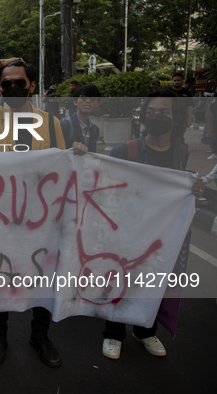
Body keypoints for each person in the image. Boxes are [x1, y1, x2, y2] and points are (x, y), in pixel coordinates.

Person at [0, 56, 65, 368]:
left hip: (41, 218)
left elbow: (62, 168)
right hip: (1, 217)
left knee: (44, 277)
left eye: (18, 83)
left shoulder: (51, 123)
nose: (11, 87)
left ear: (32, 86)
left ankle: (40, 336)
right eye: (5, 84)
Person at [99, 90, 205, 359]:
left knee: (155, 280)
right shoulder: (124, 151)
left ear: (176, 117)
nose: (157, 116)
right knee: (122, 279)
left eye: (165, 112)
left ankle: (145, 329)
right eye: (152, 111)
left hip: (163, 234)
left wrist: (194, 188)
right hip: (129, 231)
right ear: (144, 114)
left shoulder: (181, 150)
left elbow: (181, 187)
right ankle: (113, 333)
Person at [61, 84, 101, 152]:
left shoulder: (95, 130)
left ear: (97, 104)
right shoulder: (65, 126)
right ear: (75, 101)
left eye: (93, 98)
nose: (88, 101)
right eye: (83, 97)